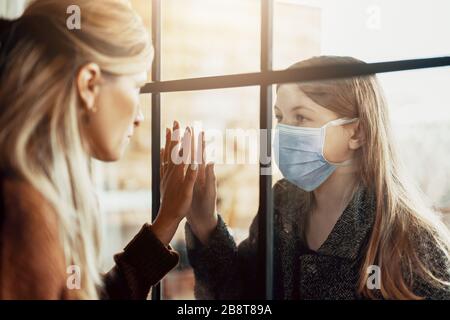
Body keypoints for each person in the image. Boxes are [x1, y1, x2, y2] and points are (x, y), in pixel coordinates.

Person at [185, 56, 450, 299]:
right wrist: (204, 222)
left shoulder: (414, 240)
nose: (284, 131)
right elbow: (241, 294)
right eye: (280, 117)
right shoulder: (282, 202)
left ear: (356, 133)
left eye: (301, 117)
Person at [0, 0, 199, 299]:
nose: (139, 116)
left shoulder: (35, 191)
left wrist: (167, 219)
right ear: (89, 84)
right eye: (136, 87)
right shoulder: (25, 217)